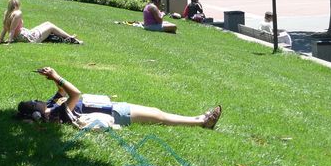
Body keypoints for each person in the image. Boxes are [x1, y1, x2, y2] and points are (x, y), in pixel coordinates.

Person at [17, 67, 222, 129]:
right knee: (159, 116)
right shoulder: (58, 114)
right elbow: (75, 94)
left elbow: (62, 93)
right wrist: (57, 77)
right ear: (37, 112)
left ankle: (198, 118)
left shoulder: (52, 106)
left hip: (113, 106)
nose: (38, 100)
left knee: (158, 113)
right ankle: (202, 122)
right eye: (35, 103)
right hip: (116, 113)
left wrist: (51, 78)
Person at [0, 0, 83, 44]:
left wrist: (0, 40)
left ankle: (68, 37)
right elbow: (12, 30)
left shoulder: (7, 13)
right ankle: (70, 38)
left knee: (47, 23)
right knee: (51, 27)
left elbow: (5, 29)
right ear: (18, 4)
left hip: (21, 35)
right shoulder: (18, 13)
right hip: (25, 37)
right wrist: (9, 42)